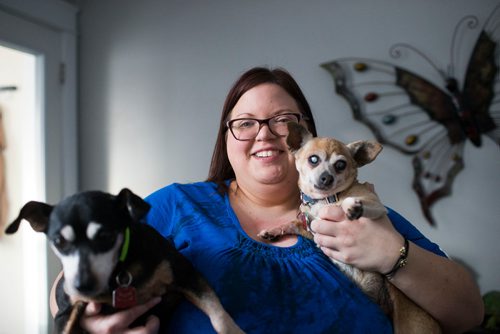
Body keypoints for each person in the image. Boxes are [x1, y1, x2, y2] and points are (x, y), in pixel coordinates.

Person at [51, 67, 484, 333]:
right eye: (245, 123)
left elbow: (469, 312)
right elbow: (66, 287)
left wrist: (394, 254)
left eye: (283, 121)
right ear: (227, 138)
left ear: (303, 138)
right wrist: (89, 320)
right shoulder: (177, 206)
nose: (265, 133)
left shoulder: (362, 211)